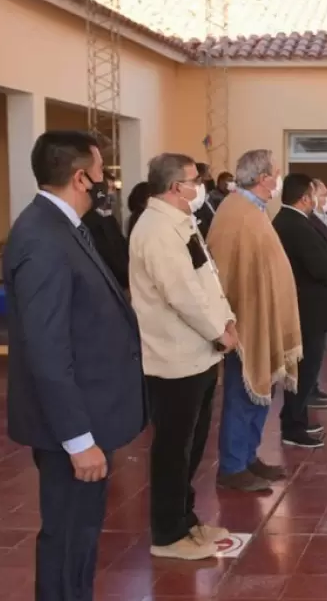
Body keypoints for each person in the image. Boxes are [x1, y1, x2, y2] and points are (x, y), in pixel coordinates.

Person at [2, 130, 146, 600]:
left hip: (87, 414)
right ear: (82, 177)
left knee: (81, 536)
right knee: (66, 538)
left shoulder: (63, 226)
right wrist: (79, 440)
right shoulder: (42, 237)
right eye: (104, 172)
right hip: (70, 427)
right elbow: (47, 350)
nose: (109, 182)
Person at [130, 153, 238, 560]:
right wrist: (219, 332)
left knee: (192, 446)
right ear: (176, 186)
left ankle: (186, 518)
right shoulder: (156, 229)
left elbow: (204, 280)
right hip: (175, 357)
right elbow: (181, 295)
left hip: (201, 353)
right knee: (174, 448)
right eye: (196, 180)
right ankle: (168, 532)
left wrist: (226, 321)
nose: (201, 187)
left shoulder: (180, 221)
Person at [206, 149, 302, 492]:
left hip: (263, 317)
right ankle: (233, 465)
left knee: (260, 393)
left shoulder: (254, 210)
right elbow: (224, 270)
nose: (277, 178)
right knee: (242, 392)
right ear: (263, 179)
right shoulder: (237, 213)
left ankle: (248, 456)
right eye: (275, 172)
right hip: (246, 321)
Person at [273, 174, 327, 448]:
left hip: (312, 307)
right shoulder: (293, 224)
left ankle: (298, 419)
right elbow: (319, 266)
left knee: (308, 370)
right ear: (304, 198)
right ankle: (293, 427)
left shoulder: (296, 221)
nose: (319, 200)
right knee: (305, 371)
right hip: (310, 309)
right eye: (315, 194)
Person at [81, 169, 130, 292]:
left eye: (113, 188)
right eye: (109, 188)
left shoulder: (109, 219)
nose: (112, 193)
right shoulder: (89, 221)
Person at [194, 162, 216, 238]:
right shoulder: (196, 204)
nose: (211, 179)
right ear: (200, 178)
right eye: (208, 176)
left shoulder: (211, 198)